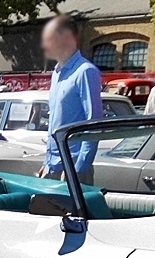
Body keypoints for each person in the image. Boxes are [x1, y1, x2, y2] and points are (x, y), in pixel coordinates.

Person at [38, 14, 102, 184]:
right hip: (53, 166)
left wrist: (80, 167)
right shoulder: (56, 73)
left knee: (74, 211)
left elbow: (94, 122)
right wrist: (47, 162)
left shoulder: (85, 71)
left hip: (73, 167)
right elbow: (55, 121)